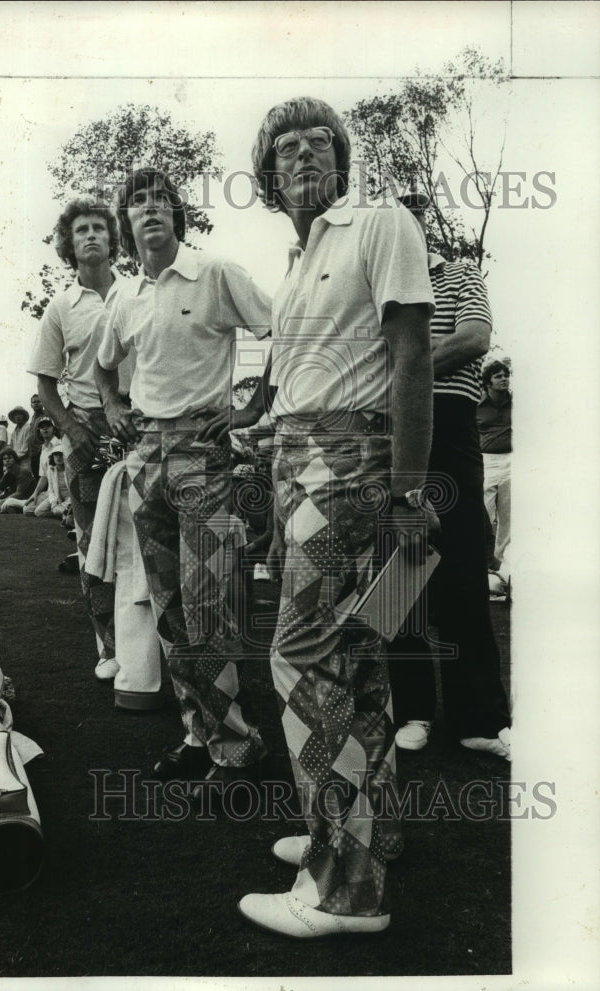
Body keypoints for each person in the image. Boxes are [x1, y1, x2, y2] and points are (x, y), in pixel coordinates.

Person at [204, 97, 438, 938]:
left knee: (301, 658)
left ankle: (343, 891)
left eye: (318, 144)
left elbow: (410, 353)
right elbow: (293, 389)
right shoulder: (300, 258)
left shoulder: (380, 223)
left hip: (351, 467)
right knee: (358, 666)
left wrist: (410, 491)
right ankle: (368, 837)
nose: (302, 157)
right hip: (300, 465)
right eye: (285, 149)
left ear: (342, 160)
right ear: (266, 176)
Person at [95, 168, 272, 786]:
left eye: (159, 200)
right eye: (137, 202)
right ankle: (199, 733)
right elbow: (104, 369)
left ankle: (237, 747)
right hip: (146, 458)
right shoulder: (124, 296)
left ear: (177, 214)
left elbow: (281, 330)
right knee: (169, 607)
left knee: (211, 605)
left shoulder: (215, 273)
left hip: (203, 452)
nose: (149, 209)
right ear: (127, 221)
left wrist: (252, 407)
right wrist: (115, 408)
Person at [386, 193, 513, 762]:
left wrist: (405, 368)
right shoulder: (380, 284)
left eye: (414, 223)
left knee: (462, 568)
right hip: (391, 432)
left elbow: (475, 340)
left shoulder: (460, 275)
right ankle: (410, 710)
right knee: (399, 575)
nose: (404, 234)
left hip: (453, 429)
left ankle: (478, 717)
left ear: (427, 231)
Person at [27, 195, 132, 678]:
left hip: (140, 426)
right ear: (69, 245)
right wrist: (72, 429)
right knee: (94, 544)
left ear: (113, 240)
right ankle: (109, 646)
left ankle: (149, 649)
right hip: (85, 434)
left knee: (144, 540)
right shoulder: (60, 307)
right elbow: (46, 383)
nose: (91, 235)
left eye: (99, 228)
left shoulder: (138, 292)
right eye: (81, 230)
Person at [477, 360, 512, 595]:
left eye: (506, 375)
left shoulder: (516, 402)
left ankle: (501, 567)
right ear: (488, 381)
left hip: (511, 460)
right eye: (498, 376)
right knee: (484, 515)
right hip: (485, 461)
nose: (504, 379)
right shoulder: (477, 405)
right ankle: (482, 566)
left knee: (507, 518)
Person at [22, 417, 61, 517]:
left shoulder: (61, 444)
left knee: (38, 512)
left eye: (48, 426)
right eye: (42, 427)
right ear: (39, 431)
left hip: (62, 489)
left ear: (54, 429)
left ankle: (64, 511)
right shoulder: (43, 450)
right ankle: (60, 510)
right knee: (27, 509)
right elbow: (43, 477)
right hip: (50, 491)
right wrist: (35, 494)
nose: (45, 429)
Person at [0, 449, 35, 513]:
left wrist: (1, 502)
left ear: (15, 459)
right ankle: (4, 509)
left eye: (10, 458)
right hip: (15, 500)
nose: (7, 460)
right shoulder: (8, 474)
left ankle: (9, 509)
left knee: (7, 502)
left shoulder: (23, 472)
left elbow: (19, 494)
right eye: (4, 459)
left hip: (28, 500)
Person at [27, 394, 46, 477]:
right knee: (36, 475)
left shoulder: (46, 415)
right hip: (33, 453)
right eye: (34, 402)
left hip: (43, 451)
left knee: (44, 475)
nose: (36, 403)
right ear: (31, 405)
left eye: (38, 401)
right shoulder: (33, 418)